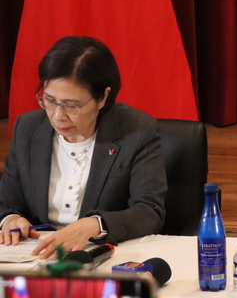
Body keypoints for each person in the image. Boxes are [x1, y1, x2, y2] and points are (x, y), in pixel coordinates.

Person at [0, 36, 167, 259]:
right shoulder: (28, 128)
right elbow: (5, 201)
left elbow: (149, 211)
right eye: (49, 100)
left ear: (102, 97)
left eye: (71, 105)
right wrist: (9, 218)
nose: (58, 116)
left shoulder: (137, 132)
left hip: (98, 255)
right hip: (36, 255)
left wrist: (94, 225)